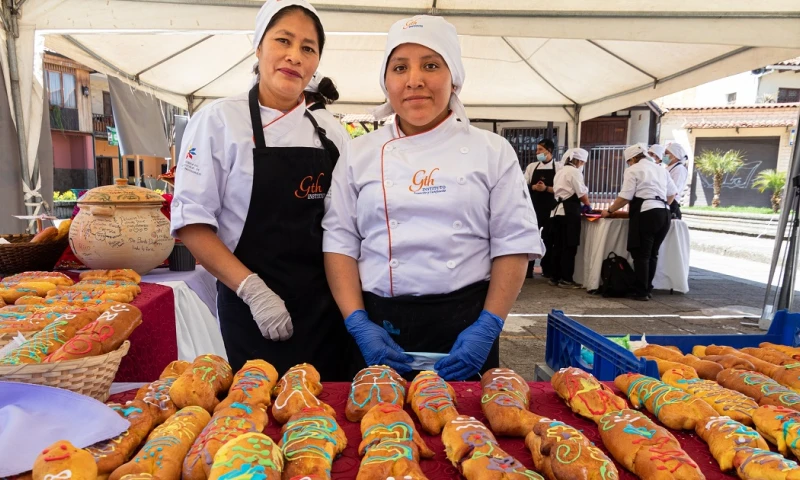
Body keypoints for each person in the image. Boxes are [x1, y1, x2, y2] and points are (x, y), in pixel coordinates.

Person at [322, 15, 542, 381]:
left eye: (430, 65)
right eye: (400, 67)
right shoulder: (358, 153)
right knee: (376, 429)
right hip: (379, 324)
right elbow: (340, 241)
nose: (415, 80)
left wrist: (488, 327)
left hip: (466, 325)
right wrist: (357, 322)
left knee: (467, 434)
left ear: (453, 76)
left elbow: (513, 243)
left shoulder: (492, 150)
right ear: (386, 81)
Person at [170, 0, 352, 379]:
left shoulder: (330, 132)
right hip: (251, 309)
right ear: (258, 47)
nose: (294, 56)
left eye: (308, 48)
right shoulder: (219, 122)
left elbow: (347, 225)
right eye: (282, 40)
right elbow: (192, 223)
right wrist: (254, 291)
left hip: (325, 312)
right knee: (255, 421)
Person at [601, 143, 678, 300]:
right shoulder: (660, 170)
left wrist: (609, 211)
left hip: (646, 213)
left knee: (642, 255)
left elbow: (625, 197)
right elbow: (673, 193)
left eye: (628, 161)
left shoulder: (633, 170)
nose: (629, 164)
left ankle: (641, 292)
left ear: (633, 158)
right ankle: (647, 288)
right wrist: (662, 206)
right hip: (664, 213)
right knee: (653, 254)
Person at [548, 148, 591, 289]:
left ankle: (554, 277)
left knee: (558, 246)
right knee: (569, 246)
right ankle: (566, 279)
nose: (582, 164)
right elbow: (581, 193)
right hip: (569, 212)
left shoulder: (560, 171)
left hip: (557, 211)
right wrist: (588, 205)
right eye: (583, 162)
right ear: (578, 161)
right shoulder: (574, 172)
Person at [523, 138, 559, 279]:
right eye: (537, 149)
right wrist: (534, 187)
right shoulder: (532, 167)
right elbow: (522, 184)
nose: (537, 152)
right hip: (533, 207)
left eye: (540, 150)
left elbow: (562, 189)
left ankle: (547, 268)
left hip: (551, 208)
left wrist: (546, 189)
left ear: (549, 151)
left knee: (549, 238)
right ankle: (527, 270)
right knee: (531, 237)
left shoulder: (560, 167)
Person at [664, 142, 689, 219]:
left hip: (670, 203)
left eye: (666, 153)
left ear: (674, 156)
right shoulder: (668, 168)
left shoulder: (679, 169)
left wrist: (666, 206)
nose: (664, 156)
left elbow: (674, 190)